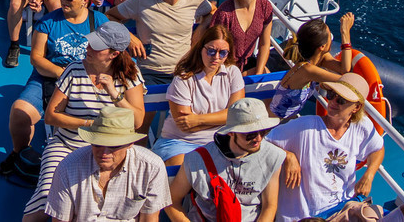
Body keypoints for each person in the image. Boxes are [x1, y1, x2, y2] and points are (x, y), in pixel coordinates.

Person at [21, 22, 146, 222]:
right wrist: (89, 125)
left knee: (100, 203)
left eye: (95, 47)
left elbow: (137, 121)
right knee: (46, 201)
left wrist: (114, 95)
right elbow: (51, 116)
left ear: (114, 54)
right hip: (68, 145)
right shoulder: (74, 70)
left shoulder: (130, 75)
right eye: (90, 43)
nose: (87, 48)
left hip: (110, 150)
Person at [0, 0, 107, 176]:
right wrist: (65, 74)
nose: (64, 1)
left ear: (85, 0)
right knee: (19, 113)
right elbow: (36, 58)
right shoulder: (49, 21)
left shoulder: (99, 22)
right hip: (49, 77)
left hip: (87, 80)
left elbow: (110, 54)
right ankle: (19, 152)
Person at [268, 73, 385, 222]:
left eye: (341, 100)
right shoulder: (305, 126)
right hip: (304, 218)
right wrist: (287, 156)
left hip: (340, 212)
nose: (333, 102)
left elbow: (377, 149)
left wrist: (369, 175)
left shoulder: (362, 127)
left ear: (356, 107)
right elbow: (262, 142)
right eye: (331, 95)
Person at [164, 98, 286, 222]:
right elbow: (171, 201)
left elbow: (269, 206)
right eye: (250, 134)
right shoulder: (196, 159)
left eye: (263, 131)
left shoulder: (272, 156)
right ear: (231, 132)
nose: (258, 139)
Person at [43, 107, 173, 222]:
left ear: (130, 144)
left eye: (113, 146)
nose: (104, 152)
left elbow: (149, 219)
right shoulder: (68, 167)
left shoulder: (152, 168)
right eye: (98, 144)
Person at [108, 0, 212, 85]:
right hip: (150, 73)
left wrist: (201, 30)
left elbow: (212, 12)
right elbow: (108, 16)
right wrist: (129, 37)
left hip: (185, 71)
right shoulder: (142, 0)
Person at [152, 25, 248, 166]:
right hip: (180, 142)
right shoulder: (184, 78)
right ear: (201, 48)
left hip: (220, 141)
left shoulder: (232, 72)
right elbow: (185, 126)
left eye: (223, 53)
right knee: (184, 165)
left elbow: (237, 115)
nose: (216, 57)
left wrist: (197, 120)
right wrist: (223, 119)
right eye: (211, 51)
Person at [270, 14, 357, 122]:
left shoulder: (319, 58)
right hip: (275, 120)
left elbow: (344, 69)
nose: (331, 38)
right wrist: (344, 32)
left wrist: (345, 34)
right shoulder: (307, 70)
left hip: (288, 117)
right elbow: (345, 80)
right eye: (329, 36)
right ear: (322, 47)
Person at [204, 0, 274, 75]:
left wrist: (258, 73)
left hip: (247, 63)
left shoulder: (265, 7)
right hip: (224, 65)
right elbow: (212, 49)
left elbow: (264, 44)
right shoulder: (225, 13)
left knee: (266, 75)